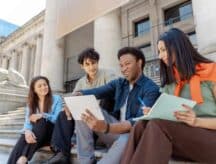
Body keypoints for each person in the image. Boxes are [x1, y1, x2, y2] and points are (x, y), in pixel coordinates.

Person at [121, 28, 216, 164]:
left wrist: (197, 121)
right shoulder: (170, 83)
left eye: (163, 50)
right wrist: (154, 113)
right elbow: (170, 119)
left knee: (158, 125)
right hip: (186, 139)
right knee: (141, 125)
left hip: (211, 141)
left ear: (179, 47)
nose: (160, 56)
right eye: (159, 51)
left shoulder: (211, 71)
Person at [75, 47, 160, 164]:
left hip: (132, 135)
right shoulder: (120, 83)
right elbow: (97, 91)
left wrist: (106, 127)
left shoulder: (151, 89)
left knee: (127, 139)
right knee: (84, 107)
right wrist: (78, 95)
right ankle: (85, 161)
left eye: (127, 64)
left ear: (139, 63)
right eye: (121, 65)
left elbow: (138, 122)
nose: (123, 69)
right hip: (113, 130)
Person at [46, 48, 116, 163]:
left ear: (97, 62)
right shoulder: (81, 82)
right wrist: (68, 106)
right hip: (84, 120)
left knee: (107, 97)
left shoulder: (108, 74)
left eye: (93, 63)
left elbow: (113, 90)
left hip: (103, 117)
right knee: (63, 114)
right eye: (87, 64)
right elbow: (73, 99)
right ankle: (62, 154)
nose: (91, 67)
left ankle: (91, 141)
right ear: (82, 66)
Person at [7, 76, 63, 164]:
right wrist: (27, 131)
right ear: (34, 90)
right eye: (39, 86)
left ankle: (24, 158)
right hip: (38, 135)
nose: (44, 87)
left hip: (51, 134)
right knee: (24, 137)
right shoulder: (31, 103)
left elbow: (58, 119)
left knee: (41, 121)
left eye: (45, 85)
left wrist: (43, 115)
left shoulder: (57, 99)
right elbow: (27, 122)